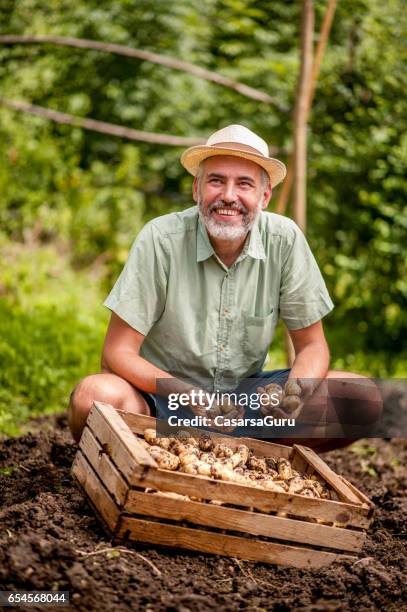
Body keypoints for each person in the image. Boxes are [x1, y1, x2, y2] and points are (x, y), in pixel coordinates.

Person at [68, 124, 382, 449]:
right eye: (216, 181)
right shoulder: (160, 239)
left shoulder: (284, 240)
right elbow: (117, 352)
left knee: (360, 398)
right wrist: (183, 392)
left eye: (244, 184)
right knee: (94, 397)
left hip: (246, 406)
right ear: (196, 188)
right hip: (163, 403)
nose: (229, 196)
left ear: (264, 196)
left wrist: (294, 394)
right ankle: (158, 453)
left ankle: (256, 454)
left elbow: (313, 346)